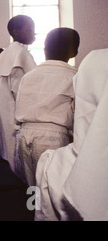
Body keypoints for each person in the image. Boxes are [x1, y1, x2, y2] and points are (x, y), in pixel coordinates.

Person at [35, 48, 108, 221]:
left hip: (29, 133)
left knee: (29, 186)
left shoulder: (55, 165)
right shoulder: (68, 74)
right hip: (55, 132)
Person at [14, 27, 80, 186]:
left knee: (31, 186)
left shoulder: (29, 75)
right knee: (52, 186)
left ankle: (32, 210)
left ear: (45, 50)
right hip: (52, 137)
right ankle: (42, 211)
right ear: (74, 52)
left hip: (24, 135)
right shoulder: (74, 76)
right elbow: (78, 112)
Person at [0, 15, 36, 172]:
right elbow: (20, 90)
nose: (33, 33)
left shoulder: (9, 52)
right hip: (12, 109)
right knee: (14, 151)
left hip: (2, 107)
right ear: (16, 32)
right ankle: (17, 188)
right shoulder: (20, 54)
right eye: (29, 30)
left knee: (5, 148)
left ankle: (8, 180)